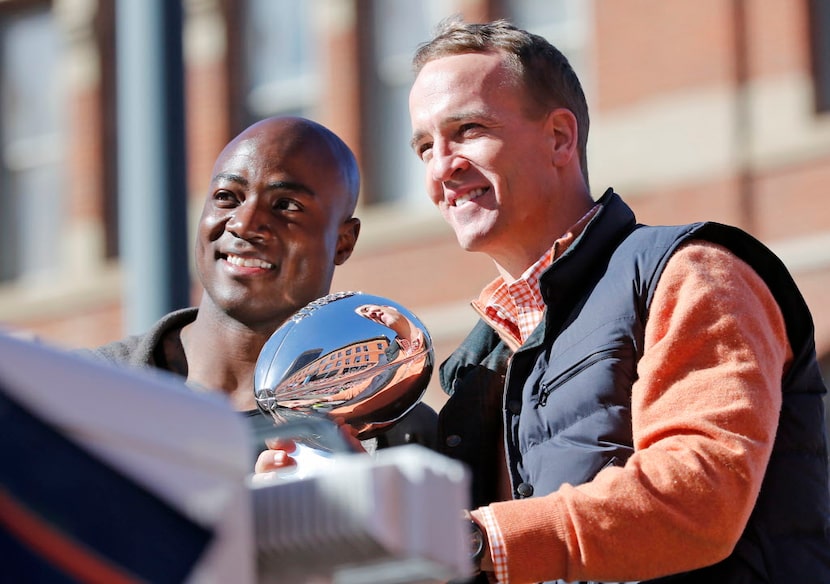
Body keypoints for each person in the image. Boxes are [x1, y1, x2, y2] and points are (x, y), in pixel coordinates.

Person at [408, 17, 830, 584]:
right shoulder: (478, 365)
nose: (441, 167)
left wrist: (476, 540)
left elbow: (698, 497)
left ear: (560, 137)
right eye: (423, 146)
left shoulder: (690, 271)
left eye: (469, 130)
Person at [82, 116, 437, 465]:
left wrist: (361, 503)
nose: (244, 223)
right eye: (226, 197)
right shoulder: (85, 390)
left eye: (286, 206)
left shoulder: (400, 437)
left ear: (343, 242)